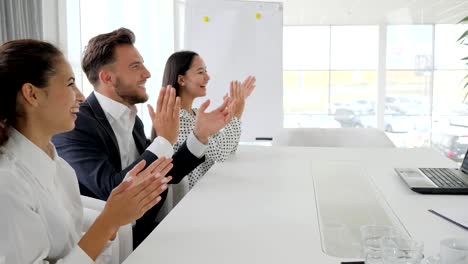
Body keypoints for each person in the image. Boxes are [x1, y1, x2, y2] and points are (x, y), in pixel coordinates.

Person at [52, 28, 233, 247]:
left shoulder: (133, 120)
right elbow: (110, 190)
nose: (147, 73)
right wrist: (163, 141)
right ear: (107, 78)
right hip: (109, 244)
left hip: (146, 230)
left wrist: (199, 136)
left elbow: (164, 173)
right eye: (136, 66)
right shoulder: (76, 124)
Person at [0, 39, 172, 263]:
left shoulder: (60, 168)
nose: (80, 96)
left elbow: (74, 248)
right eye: (70, 83)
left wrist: (117, 211)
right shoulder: (8, 184)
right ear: (32, 94)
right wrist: (109, 220)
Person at [160, 51, 255, 205]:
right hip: (194, 202)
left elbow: (229, 149)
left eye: (206, 71)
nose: (208, 77)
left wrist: (231, 115)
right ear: (181, 79)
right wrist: (236, 114)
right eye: (200, 72)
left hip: (210, 193)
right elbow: (220, 153)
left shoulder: (195, 114)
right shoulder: (177, 118)